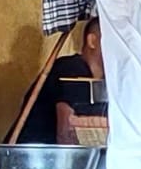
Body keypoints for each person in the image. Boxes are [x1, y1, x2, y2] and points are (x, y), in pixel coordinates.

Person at [9, 17, 107, 146]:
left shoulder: (107, 81)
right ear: (93, 41)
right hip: (35, 158)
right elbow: (66, 135)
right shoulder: (72, 69)